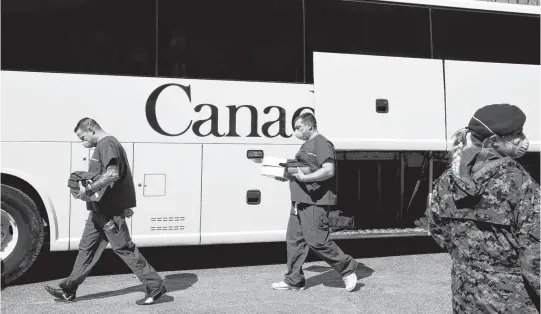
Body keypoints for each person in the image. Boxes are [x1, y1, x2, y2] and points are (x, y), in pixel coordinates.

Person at [426, 104, 540, 313]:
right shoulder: (517, 180)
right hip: (513, 300)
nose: (524, 140)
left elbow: (437, 230)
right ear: (494, 141)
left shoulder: (447, 179)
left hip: (464, 295)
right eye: (517, 134)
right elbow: (535, 250)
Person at [45, 118, 168, 305]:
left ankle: (155, 286)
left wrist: (89, 189)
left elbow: (113, 174)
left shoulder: (107, 144)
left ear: (91, 129)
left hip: (109, 211)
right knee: (87, 249)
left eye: (83, 136)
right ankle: (69, 289)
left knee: (124, 248)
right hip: (98, 211)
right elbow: (120, 176)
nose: (83, 141)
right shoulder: (104, 145)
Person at [272, 112, 358, 291]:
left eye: (298, 128)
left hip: (314, 201)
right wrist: (286, 175)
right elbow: (303, 170)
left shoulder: (322, 143)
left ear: (309, 125)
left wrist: (304, 179)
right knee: (294, 241)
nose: (296, 132)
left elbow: (328, 171)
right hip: (299, 200)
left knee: (318, 241)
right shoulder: (305, 146)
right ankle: (294, 280)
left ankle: (347, 269)